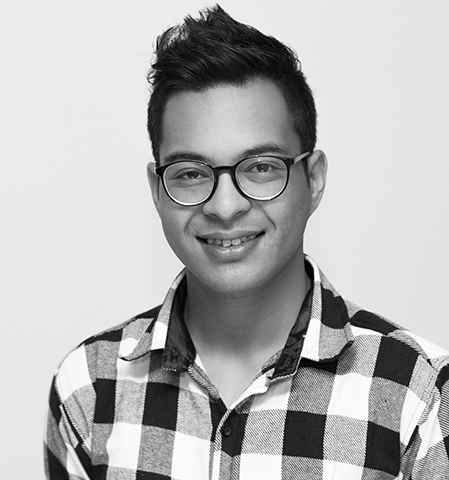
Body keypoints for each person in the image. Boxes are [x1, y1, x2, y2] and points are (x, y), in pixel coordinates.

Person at [44, 6, 449, 479]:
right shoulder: (90, 386)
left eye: (260, 168)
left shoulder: (418, 395)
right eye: (191, 173)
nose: (225, 206)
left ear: (314, 179)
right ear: (157, 190)